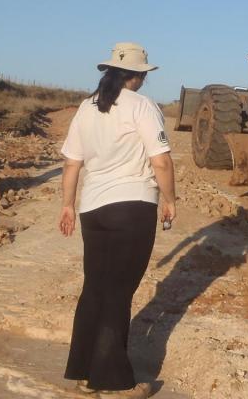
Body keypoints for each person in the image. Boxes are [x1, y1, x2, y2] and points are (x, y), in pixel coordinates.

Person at [58, 42, 176, 398]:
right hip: (133, 207)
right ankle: (111, 381)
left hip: (93, 209)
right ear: (139, 77)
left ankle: (83, 372)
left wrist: (67, 205)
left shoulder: (86, 107)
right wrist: (170, 199)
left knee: (95, 287)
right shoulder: (142, 106)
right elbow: (161, 162)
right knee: (117, 292)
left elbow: (71, 163)